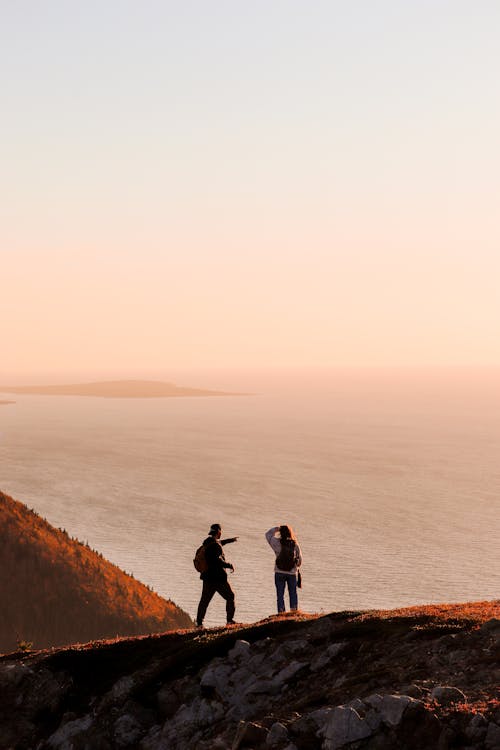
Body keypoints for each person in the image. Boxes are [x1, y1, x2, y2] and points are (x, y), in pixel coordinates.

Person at [196, 523, 238, 627]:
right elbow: (216, 559)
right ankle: (229, 621)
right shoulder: (215, 545)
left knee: (204, 600)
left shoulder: (208, 543)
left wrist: (230, 540)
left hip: (207, 578)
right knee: (230, 596)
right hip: (218, 578)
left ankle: (199, 623)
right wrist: (229, 565)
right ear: (219, 532)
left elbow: (220, 543)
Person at [265, 525, 302, 614]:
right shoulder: (294, 544)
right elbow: (300, 561)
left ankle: (281, 613)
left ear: (280, 533)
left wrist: (277, 528)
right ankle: (294, 612)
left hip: (279, 572)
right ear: (290, 533)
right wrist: (295, 567)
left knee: (280, 595)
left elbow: (268, 534)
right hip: (292, 573)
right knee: (293, 594)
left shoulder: (276, 542)